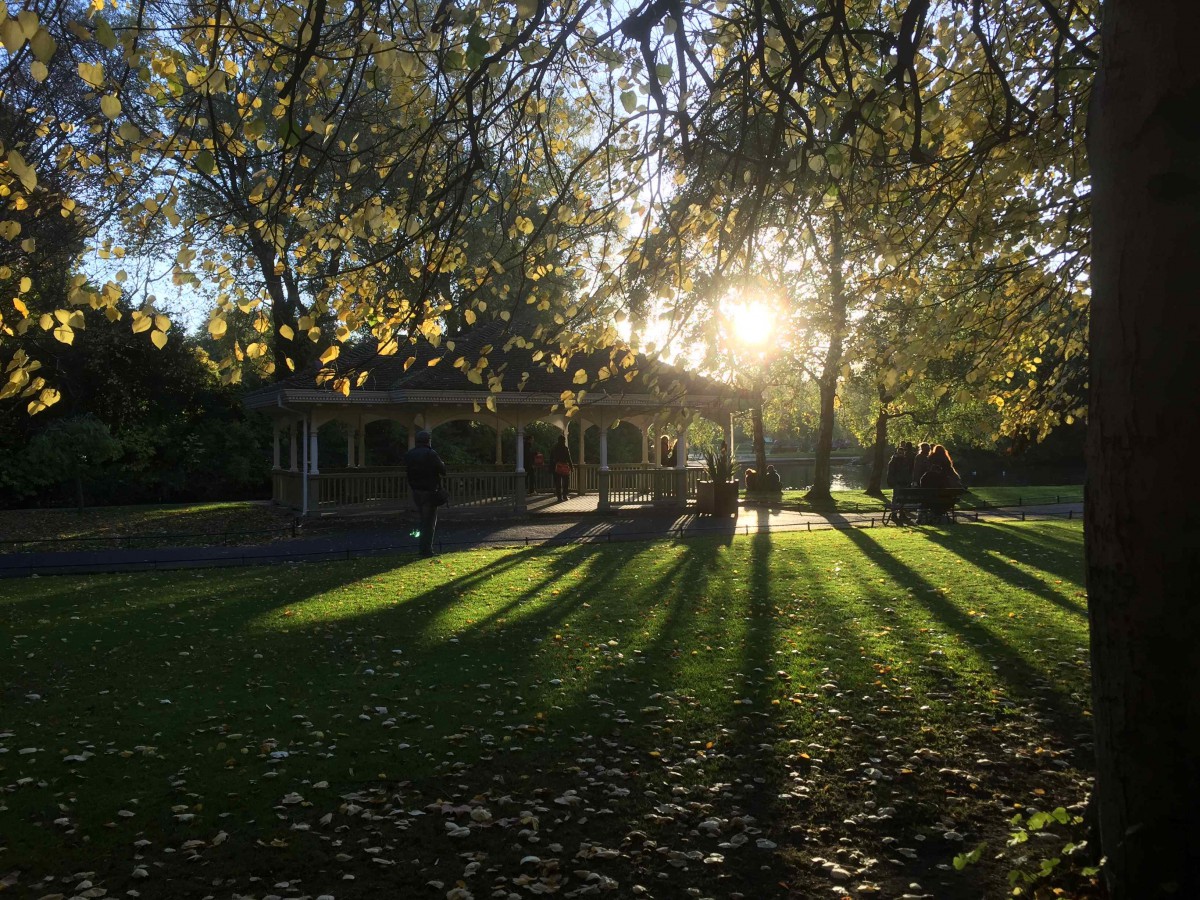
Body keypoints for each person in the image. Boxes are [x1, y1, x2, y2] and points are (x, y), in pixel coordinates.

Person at [404, 430, 447, 557]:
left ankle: (422, 547)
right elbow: (442, 470)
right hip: (429, 491)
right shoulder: (431, 454)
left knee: (422, 519)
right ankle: (426, 550)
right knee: (429, 522)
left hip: (416, 491)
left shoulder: (409, 454)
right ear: (428, 440)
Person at [549, 433, 573, 502]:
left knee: (557, 483)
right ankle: (565, 495)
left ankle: (559, 497)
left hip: (556, 467)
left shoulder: (554, 448)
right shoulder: (565, 448)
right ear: (563, 440)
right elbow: (569, 458)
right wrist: (571, 467)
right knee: (566, 482)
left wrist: (550, 468)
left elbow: (551, 458)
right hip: (565, 467)